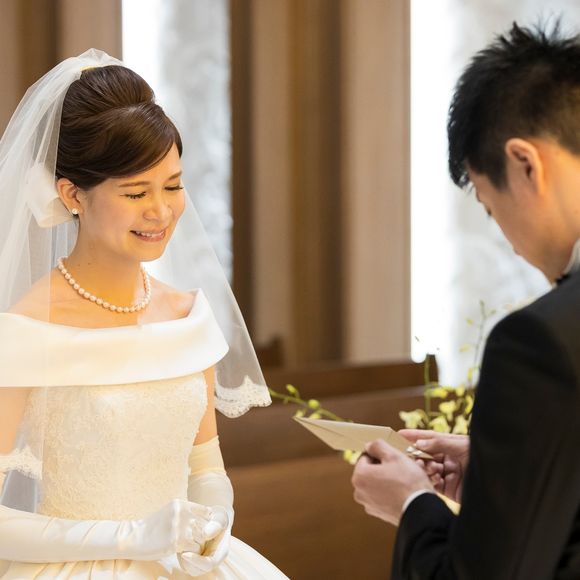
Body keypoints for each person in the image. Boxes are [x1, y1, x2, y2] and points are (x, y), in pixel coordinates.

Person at [0, 49, 287, 579]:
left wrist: (215, 518)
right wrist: (131, 537)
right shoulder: (24, 331)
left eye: (173, 186)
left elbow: (205, 466)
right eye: (136, 192)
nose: (160, 211)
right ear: (72, 194)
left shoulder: (185, 318)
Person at [351, 21, 580, 580]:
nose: (507, 237)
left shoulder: (541, 341)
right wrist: (508, 473)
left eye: (488, 204)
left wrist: (412, 505)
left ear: (525, 164)